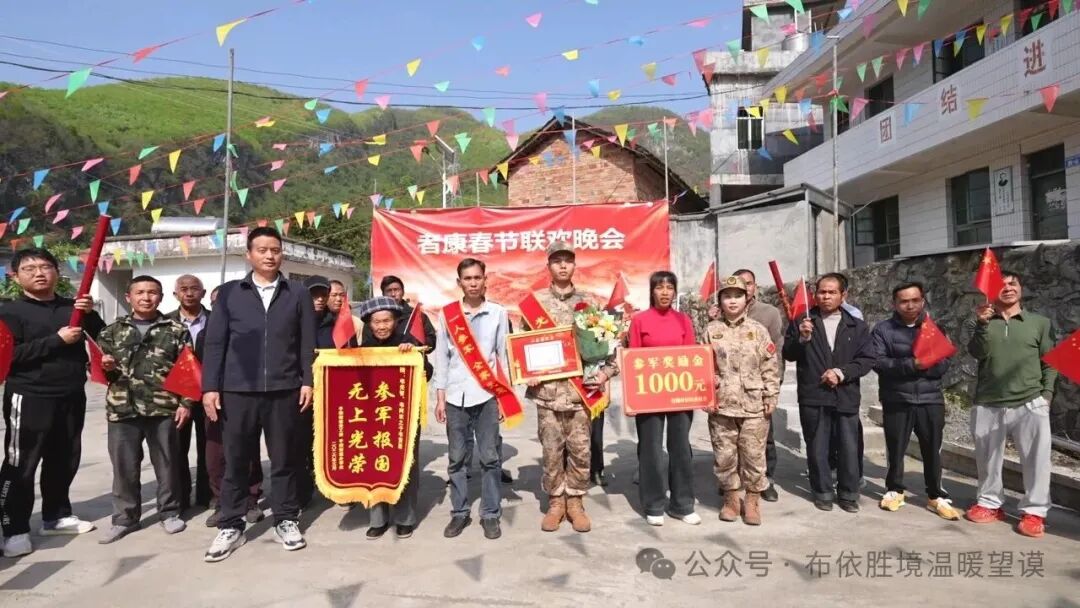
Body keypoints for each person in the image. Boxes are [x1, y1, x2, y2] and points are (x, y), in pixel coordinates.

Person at [201, 227, 316, 562]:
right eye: (262, 250)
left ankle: (285, 519)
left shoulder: (297, 293)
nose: (269, 255)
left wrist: (307, 380)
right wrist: (210, 387)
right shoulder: (230, 293)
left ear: (282, 254)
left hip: (284, 389)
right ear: (248, 255)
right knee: (236, 460)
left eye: (275, 250)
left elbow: (307, 342)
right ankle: (231, 524)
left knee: (284, 459)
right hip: (237, 390)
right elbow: (215, 343)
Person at [0, 248, 104, 558]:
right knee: (21, 463)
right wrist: (56, 340)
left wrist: (90, 314)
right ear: (15, 277)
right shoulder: (9, 312)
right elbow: (8, 357)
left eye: (45, 267)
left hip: (70, 393)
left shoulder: (73, 307)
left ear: (57, 272)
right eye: (29, 268)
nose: (39, 273)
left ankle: (56, 516)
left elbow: (103, 338)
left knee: (65, 457)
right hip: (29, 395)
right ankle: (14, 528)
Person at [525, 241, 618, 533]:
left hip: (580, 394)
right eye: (557, 261)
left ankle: (576, 502)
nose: (563, 265)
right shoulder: (535, 303)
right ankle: (555, 503)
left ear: (575, 265)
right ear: (548, 266)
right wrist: (527, 373)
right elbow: (522, 346)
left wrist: (605, 375)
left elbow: (607, 349)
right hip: (548, 394)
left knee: (580, 452)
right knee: (551, 452)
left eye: (568, 260)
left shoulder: (590, 303)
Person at [96, 276, 196, 543]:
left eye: (152, 292)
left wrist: (186, 404)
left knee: (167, 464)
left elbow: (188, 368)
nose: (146, 297)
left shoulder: (175, 330)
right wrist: (105, 366)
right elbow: (98, 371)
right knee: (124, 467)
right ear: (128, 297)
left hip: (162, 407)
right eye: (140, 292)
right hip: (122, 408)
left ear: (161, 298)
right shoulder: (111, 331)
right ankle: (124, 518)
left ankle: (169, 512)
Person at [965, 271, 1058, 538]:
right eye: (1001, 285)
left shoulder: (1040, 323)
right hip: (988, 400)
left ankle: (1035, 511)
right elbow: (978, 352)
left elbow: (1050, 361)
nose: (1007, 288)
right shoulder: (978, 320)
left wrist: (1046, 395)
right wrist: (981, 324)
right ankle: (990, 503)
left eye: (1012, 284)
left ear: (1021, 289)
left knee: (1036, 459)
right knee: (987, 459)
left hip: (1030, 401)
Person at [782, 273, 875, 513]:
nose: (826, 297)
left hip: (846, 395)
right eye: (822, 292)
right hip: (814, 394)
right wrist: (802, 338)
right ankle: (822, 492)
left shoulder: (857, 326)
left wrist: (841, 373)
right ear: (815, 295)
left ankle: (848, 494)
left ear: (843, 295)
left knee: (848, 447)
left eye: (832, 292)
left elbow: (866, 359)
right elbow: (788, 353)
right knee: (817, 446)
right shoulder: (803, 321)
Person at [871, 282, 961, 520]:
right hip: (897, 398)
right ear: (894, 303)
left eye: (914, 300)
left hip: (930, 399)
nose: (909, 305)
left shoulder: (934, 328)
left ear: (922, 301)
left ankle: (935, 494)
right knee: (895, 448)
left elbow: (944, 363)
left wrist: (923, 366)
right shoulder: (883, 330)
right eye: (903, 301)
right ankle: (894, 490)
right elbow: (878, 362)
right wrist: (913, 364)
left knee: (933, 449)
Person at [433, 258, 509, 540]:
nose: (473, 283)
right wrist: (440, 397)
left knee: (490, 458)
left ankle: (490, 514)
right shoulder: (448, 314)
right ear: (459, 282)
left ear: (485, 280)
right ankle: (460, 512)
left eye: (478, 278)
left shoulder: (498, 313)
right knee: (456, 459)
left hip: (487, 396)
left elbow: (503, 356)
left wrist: (504, 397)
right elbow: (442, 357)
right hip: (456, 396)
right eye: (468, 278)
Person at [705, 275, 780, 525]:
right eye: (727, 296)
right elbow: (703, 366)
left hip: (753, 405)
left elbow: (770, 365)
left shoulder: (758, 330)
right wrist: (706, 395)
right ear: (720, 301)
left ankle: (752, 501)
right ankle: (731, 500)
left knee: (754, 456)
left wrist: (771, 394)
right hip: (722, 405)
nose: (732, 301)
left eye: (737, 296)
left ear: (746, 299)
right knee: (724, 457)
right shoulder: (711, 331)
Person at [627, 271, 700, 527]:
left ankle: (682, 504)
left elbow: (692, 356)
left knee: (680, 448)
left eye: (670, 287)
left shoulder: (683, 320)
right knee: (651, 449)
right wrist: (632, 399)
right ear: (652, 291)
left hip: (680, 392)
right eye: (660, 287)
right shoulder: (639, 321)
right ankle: (654, 504)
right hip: (649, 394)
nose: (665, 292)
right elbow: (632, 360)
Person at [357, 297, 432, 540]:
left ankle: (405, 518)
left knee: (404, 464)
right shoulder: (362, 348)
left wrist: (415, 357)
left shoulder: (407, 342)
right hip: (371, 416)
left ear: (396, 321)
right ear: (369, 324)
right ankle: (378, 519)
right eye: (376, 322)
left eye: (386, 321)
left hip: (403, 417)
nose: (382, 326)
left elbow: (427, 372)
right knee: (373, 466)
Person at [199, 287, 264, 528]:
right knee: (216, 455)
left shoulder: (249, 332)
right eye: (216, 304)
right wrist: (209, 390)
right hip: (214, 399)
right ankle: (222, 502)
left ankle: (251, 499)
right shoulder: (205, 334)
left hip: (245, 397)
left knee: (248, 451)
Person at [167, 274, 211, 511]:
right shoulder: (164, 323)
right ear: (176, 294)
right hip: (176, 397)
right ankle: (181, 498)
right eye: (183, 289)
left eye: (194, 288)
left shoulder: (217, 320)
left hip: (209, 394)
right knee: (176, 449)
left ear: (203, 293)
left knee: (210, 447)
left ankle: (207, 495)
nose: (189, 293)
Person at [364, 276, 437, 347]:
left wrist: (415, 344)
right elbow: (366, 344)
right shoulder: (373, 316)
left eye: (396, 290)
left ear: (403, 292)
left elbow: (432, 340)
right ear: (383, 294)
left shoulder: (417, 316)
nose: (393, 294)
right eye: (389, 291)